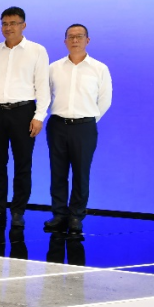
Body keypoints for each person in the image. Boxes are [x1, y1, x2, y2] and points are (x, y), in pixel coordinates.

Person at [0, 6, 50, 228]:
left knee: (23, 164)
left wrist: (39, 116)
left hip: (23, 112)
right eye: (4, 23)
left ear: (23, 25)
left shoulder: (37, 51)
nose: (8, 27)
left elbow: (43, 86)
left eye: (13, 23)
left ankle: (18, 211)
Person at [43, 24, 112, 236]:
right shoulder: (53, 68)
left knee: (81, 173)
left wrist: (87, 119)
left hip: (84, 127)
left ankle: (76, 216)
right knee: (58, 172)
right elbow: (45, 96)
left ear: (87, 40)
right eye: (71, 37)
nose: (75, 40)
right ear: (65, 41)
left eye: (79, 36)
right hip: (57, 125)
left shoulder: (99, 69)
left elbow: (105, 100)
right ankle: (59, 214)